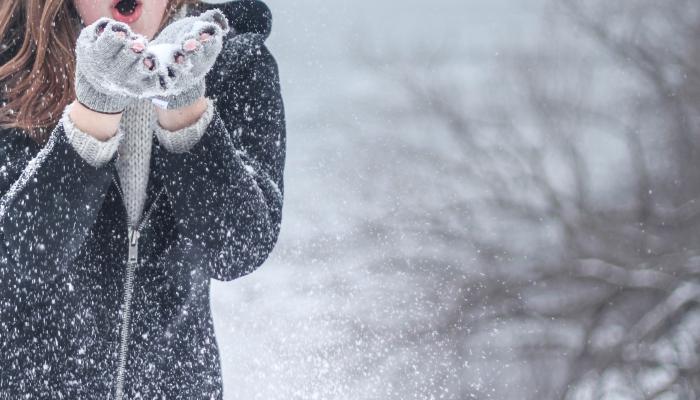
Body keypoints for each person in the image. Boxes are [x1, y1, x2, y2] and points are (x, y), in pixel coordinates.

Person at [0, 0, 286, 398]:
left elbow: (238, 248)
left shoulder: (235, 63)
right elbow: (15, 260)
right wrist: (94, 111)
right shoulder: (11, 62)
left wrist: (185, 105)